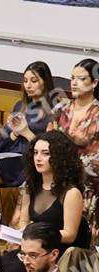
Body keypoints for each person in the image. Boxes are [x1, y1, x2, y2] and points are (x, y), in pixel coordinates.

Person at [1, 131, 90, 272]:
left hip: (58, 252)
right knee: (1, 264)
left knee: (14, 271)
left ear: (59, 157)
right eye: (35, 153)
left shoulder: (71, 193)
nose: (38, 158)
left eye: (45, 153)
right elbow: (24, 221)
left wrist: (39, 236)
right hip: (33, 248)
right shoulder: (30, 187)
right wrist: (22, 232)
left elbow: (70, 234)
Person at [0, 61, 55, 186]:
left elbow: (50, 151)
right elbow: (1, 145)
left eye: (34, 81)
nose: (28, 85)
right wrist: (15, 133)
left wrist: (26, 132)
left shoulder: (53, 111)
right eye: (25, 81)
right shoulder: (19, 106)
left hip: (30, 162)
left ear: (45, 82)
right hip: (9, 155)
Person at [51, 58, 99, 194]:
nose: (74, 83)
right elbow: (48, 141)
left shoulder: (97, 113)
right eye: (72, 78)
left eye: (81, 79)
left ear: (94, 82)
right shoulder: (60, 109)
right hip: (58, 171)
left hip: (88, 178)